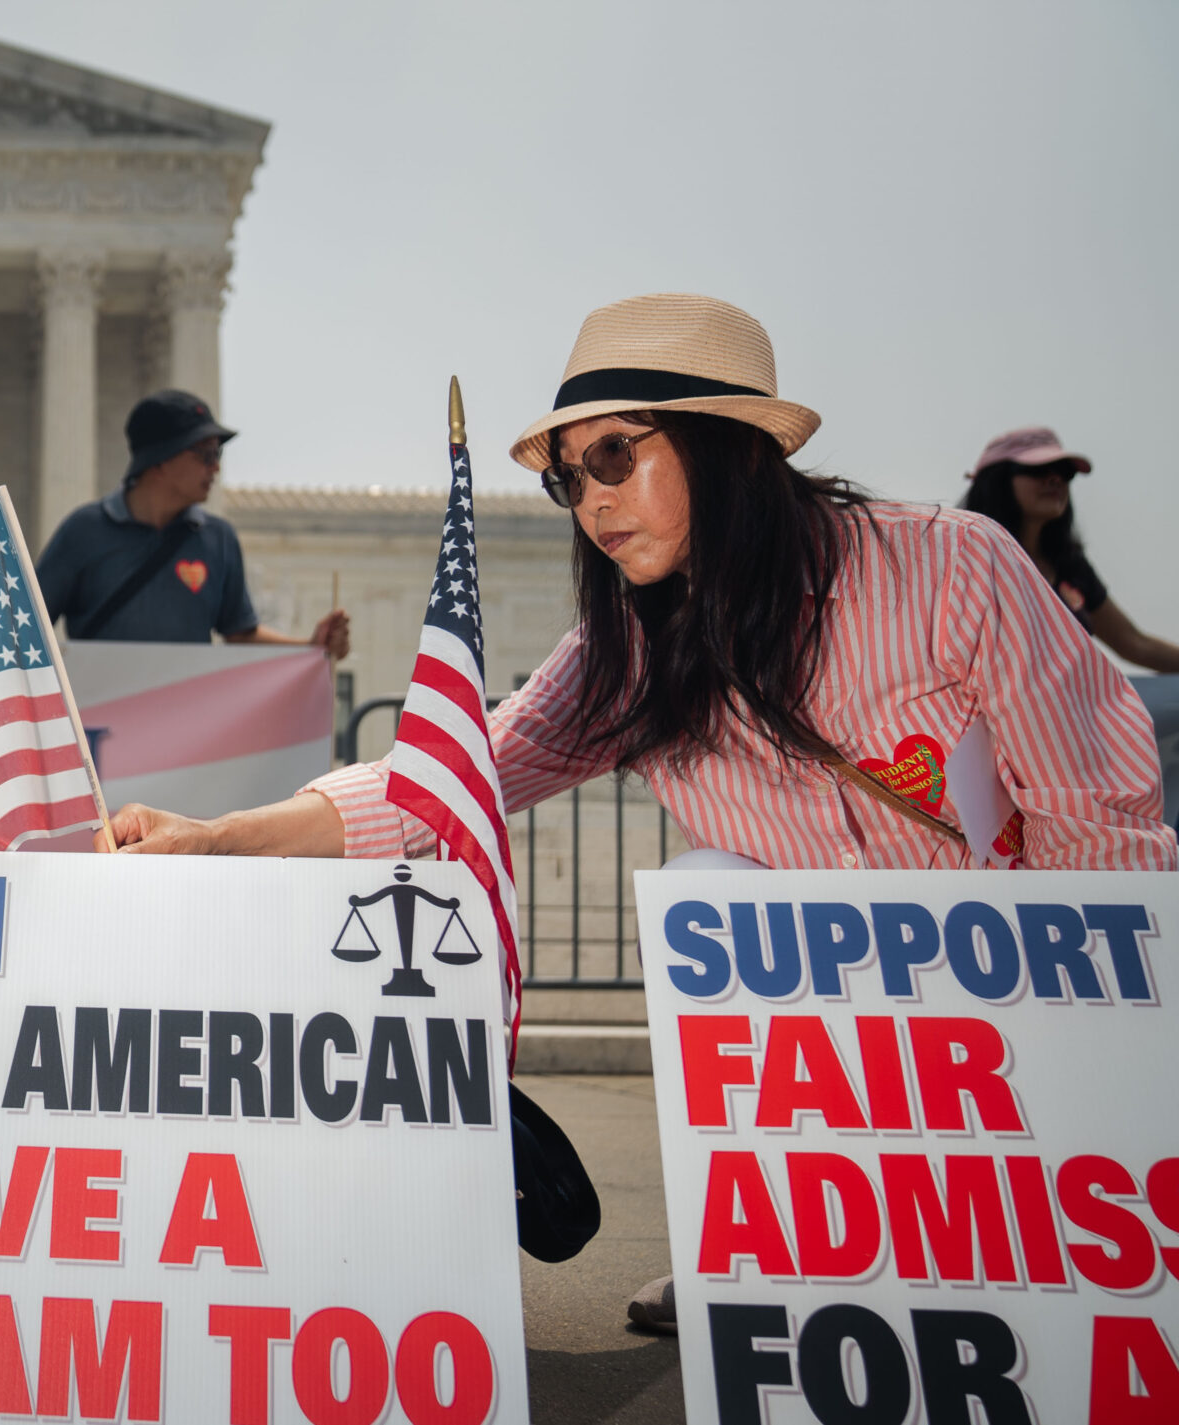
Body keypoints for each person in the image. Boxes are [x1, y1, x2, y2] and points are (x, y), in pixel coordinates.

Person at [93, 293, 1177, 1328]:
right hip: (828, 1029)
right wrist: (217, 834)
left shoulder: (951, 571)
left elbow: (1102, 833)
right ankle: (762, 1248)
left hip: (1008, 990)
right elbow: (448, 775)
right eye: (571, 477)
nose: (593, 498)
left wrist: (1112, 1116)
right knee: (714, 893)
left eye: (616, 454)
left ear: (730, 443)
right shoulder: (629, 651)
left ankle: (1014, 1231)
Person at [36, 389, 350, 657]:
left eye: (219, 455)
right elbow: (27, 631)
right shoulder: (83, 532)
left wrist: (312, 646)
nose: (215, 468)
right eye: (205, 455)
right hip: (93, 724)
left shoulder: (219, 538)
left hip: (186, 726)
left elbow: (240, 634)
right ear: (158, 461)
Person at [960, 426, 1179, 673]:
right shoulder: (964, 564)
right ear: (996, 481)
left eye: (1065, 472)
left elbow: (1135, 644)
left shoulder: (1068, 565)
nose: (1055, 479)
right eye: (1037, 469)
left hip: (1062, 710)